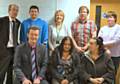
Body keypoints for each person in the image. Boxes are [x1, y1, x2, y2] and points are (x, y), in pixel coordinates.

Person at [0, 4, 21, 84]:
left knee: (10, 72)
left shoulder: (18, 23)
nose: (15, 12)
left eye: (17, 10)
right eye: (13, 9)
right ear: (9, 11)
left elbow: (16, 37)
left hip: (13, 50)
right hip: (3, 50)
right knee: (1, 72)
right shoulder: (2, 21)